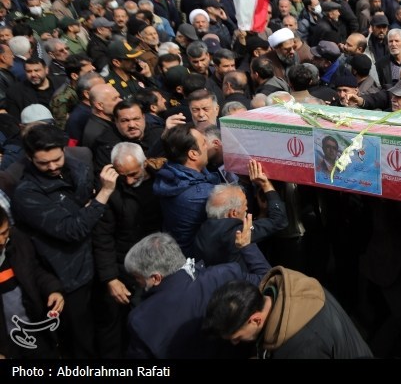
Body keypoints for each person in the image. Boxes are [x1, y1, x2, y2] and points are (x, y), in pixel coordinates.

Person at [12, 124, 118, 358]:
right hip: (68, 277)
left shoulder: (79, 167)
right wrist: (102, 195)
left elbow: (88, 216)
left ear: (64, 150)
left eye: (56, 159)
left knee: (109, 331)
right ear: (29, 158)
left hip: (98, 264)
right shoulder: (27, 194)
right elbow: (72, 229)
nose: (52, 167)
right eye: (43, 163)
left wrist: (88, 210)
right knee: (80, 343)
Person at [124, 231, 270, 359]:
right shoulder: (223, 275)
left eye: (138, 278)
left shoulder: (141, 319)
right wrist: (247, 246)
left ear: (156, 278)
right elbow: (268, 280)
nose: (137, 284)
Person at [203, 266, 372, 359]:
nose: (235, 343)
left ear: (255, 320)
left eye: (237, 337)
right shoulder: (291, 292)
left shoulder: (299, 348)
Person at [92, 141, 163, 358]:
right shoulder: (111, 191)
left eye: (134, 174)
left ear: (144, 164)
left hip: (157, 264)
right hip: (124, 269)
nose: (130, 181)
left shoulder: (161, 181)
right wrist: (110, 278)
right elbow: (102, 237)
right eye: (124, 176)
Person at [0, 206, 64, 359]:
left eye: (4, 233)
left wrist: (53, 290)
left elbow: (34, 271)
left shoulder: (17, 241)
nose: (1, 241)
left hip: (33, 329)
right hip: (5, 343)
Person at [153, 124, 217, 256]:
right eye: (204, 143)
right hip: (195, 258)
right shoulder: (201, 194)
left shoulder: (169, 172)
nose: (208, 146)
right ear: (193, 154)